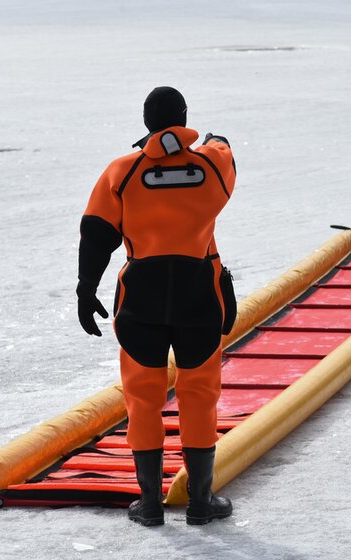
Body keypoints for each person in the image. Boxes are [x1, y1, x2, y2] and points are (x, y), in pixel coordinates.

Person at [76, 86, 237, 526]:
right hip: (199, 298)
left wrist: (85, 290)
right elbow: (223, 149)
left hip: (140, 300)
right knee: (199, 395)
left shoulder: (122, 171)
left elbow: (96, 234)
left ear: (145, 121)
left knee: (143, 399)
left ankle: (149, 505)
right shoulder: (211, 165)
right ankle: (201, 502)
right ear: (184, 117)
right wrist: (211, 139)